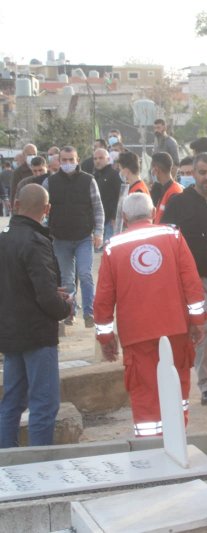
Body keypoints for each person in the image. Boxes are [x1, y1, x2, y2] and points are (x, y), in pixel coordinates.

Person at [94, 193, 206, 437]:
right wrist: (198, 322)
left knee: (144, 391)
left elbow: (103, 298)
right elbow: (192, 283)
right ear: (154, 212)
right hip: (175, 328)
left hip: (137, 335)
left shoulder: (113, 247)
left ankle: (149, 444)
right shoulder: (172, 236)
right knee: (176, 386)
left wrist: (106, 337)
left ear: (124, 217)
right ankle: (176, 439)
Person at [0, 184, 72, 448]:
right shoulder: (36, 242)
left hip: (10, 334)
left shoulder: (4, 239)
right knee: (44, 404)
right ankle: (39, 463)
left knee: (11, 402)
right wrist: (65, 306)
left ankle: (6, 460)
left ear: (15, 205)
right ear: (47, 209)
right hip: (37, 334)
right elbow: (45, 296)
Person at [162, 152, 207, 407]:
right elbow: (167, 241)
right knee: (205, 329)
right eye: (202, 172)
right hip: (193, 279)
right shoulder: (178, 204)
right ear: (193, 174)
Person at [46, 146, 105, 329]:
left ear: (77, 160)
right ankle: (70, 312)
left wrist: (99, 232)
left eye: (71, 159)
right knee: (67, 279)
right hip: (60, 239)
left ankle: (89, 313)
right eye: (64, 160)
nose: (68, 163)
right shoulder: (50, 183)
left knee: (85, 274)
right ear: (59, 161)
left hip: (84, 237)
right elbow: (44, 209)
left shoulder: (88, 180)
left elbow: (97, 207)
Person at [93, 149, 122, 246]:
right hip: (98, 221)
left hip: (110, 220)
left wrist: (115, 216)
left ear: (108, 159)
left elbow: (120, 196)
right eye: (95, 158)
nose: (98, 161)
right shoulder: (94, 176)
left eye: (101, 158)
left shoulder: (114, 175)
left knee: (108, 247)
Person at [151, 152, 182, 224]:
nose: (151, 173)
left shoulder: (174, 193)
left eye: (151, 169)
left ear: (156, 170)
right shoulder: (164, 189)